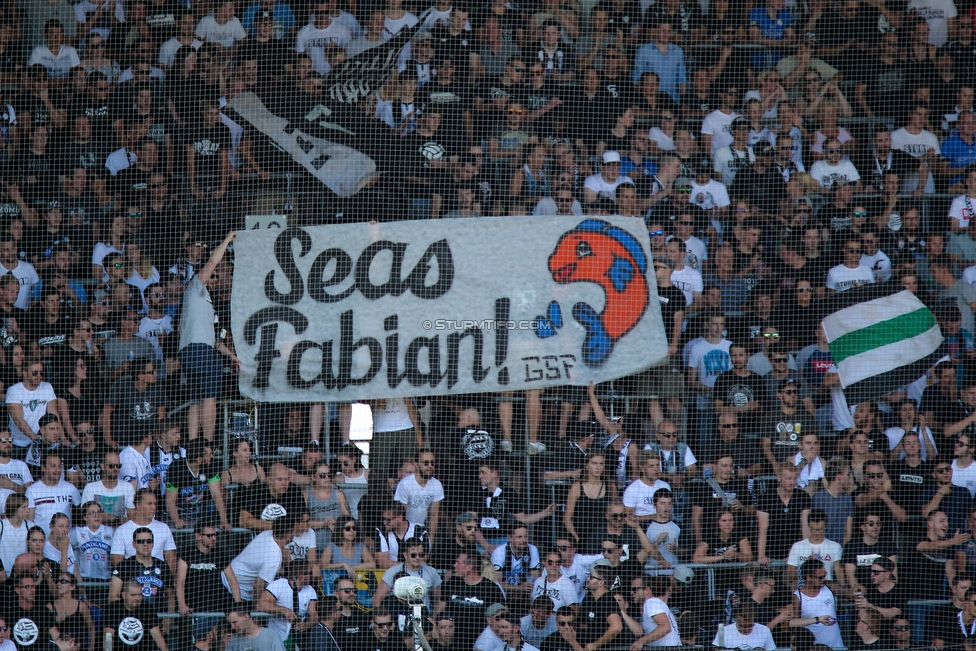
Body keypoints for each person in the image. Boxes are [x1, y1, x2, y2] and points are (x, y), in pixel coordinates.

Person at [178, 230, 239, 443]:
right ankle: (208, 443)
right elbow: (213, 260)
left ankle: (194, 445)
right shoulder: (195, 288)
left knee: (195, 400)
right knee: (209, 398)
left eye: (214, 277)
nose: (212, 279)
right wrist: (228, 239)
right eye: (211, 275)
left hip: (189, 353)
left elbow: (216, 341)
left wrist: (231, 356)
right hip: (201, 350)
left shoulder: (208, 306)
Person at [222, 516, 303, 605]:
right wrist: (257, 612)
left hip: (227, 575)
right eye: (294, 531)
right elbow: (258, 586)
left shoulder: (266, 534)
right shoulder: (275, 558)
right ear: (288, 535)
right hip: (235, 590)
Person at [440, 552, 507, 650]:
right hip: (451, 639)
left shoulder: (491, 588)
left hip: (480, 640)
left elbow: (503, 616)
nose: (455, 565)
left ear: (469, 567)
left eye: (458, 563)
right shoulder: (452, 582)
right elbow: (440, 608)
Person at [258, 558, 319, 649]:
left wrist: (307, 624)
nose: (312, 576)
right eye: (309, 573)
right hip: (276, 639)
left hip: (298, 640)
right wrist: (283, 610)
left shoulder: (310, 590)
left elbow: (314, 614)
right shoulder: (279, 585)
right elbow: (261, 604)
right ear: (301, 577)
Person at [789, 559, 845, 648]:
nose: (824, 579)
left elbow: (848, 593)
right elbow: (794, 624)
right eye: (820, 577)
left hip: (836, 646)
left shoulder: (828, 586)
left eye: (825, 575)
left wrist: (856, 590)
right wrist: (818, 619)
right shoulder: (798, 597)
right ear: (808, 577)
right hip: (814, 648)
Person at [618, 575, 681, 647]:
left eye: (635, 589)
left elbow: (665, 627)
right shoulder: (653, 603)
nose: (631, 592)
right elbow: (640, 632)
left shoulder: (651, 602)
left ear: (647, 590)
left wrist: (640, 642)